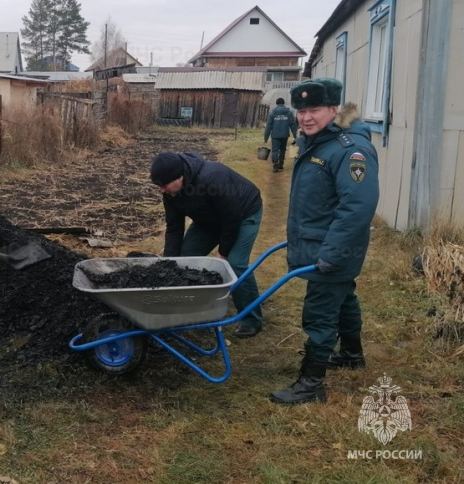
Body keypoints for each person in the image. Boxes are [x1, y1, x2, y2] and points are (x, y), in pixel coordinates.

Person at [270, 78, 379, 405]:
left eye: (314, 110)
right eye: (301, 111)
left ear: (334, 109)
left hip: (333, 248)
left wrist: (331, 253)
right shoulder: (318, 142)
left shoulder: (349, 150)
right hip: (321, 244)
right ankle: (350, 354)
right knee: (343, 297)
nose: (306, 117)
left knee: (319, 312)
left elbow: (357, 206)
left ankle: (311, 383)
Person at [150, 152, 264, 338]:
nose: (161, 190)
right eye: (158, 186)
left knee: (235, 264)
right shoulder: (170, 193)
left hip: (244, 214)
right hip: (208, 221)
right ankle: (193, 308)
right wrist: (169, 262)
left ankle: (252, 319)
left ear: (179, 177)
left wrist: (223, 253)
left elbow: (231, 218)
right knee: (185, 259)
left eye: (164, 185)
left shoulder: (212, 177)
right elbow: (174, 228)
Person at [264, 97, 298, 172]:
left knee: (275, 150)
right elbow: (293, 124)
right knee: (282, 149)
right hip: (284, 135)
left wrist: (266, 137)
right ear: (283, 103)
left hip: (275, 135)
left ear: (277, 103)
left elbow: (268, 126)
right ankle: (281, 164)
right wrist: (296, 135)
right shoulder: (288, 112)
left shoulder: (272, 113)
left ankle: (275, 165)